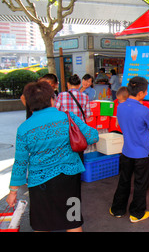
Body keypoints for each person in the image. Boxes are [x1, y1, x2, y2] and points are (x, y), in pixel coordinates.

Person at [7, 81, 99, 232]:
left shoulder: (24, 129)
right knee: (73, 221)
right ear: (52, 99)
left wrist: (13, 191)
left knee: (42, 224)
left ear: (29, 104)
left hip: (39, 183)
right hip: (69, 180)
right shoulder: (68, 118)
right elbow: (92, 137)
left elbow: (20, 162)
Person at [110, 76, 149, 223]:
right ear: (142, 93)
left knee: (124, 181)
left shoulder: (120, 106)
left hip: (126, 152)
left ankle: (117, 209)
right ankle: (136, 213)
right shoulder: (144, 110)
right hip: (142, 153)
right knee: (140, 184)